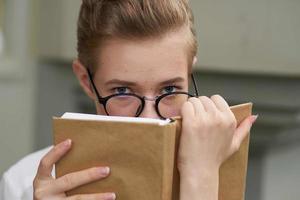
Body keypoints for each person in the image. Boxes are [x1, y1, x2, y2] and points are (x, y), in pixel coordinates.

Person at [0, 0, 257, 199]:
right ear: (86, 81)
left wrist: (201, 179)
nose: (149, 118)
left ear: (189, 76)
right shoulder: (22, 183)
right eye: (122, 91)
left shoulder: (222, 168)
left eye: (169, 89)